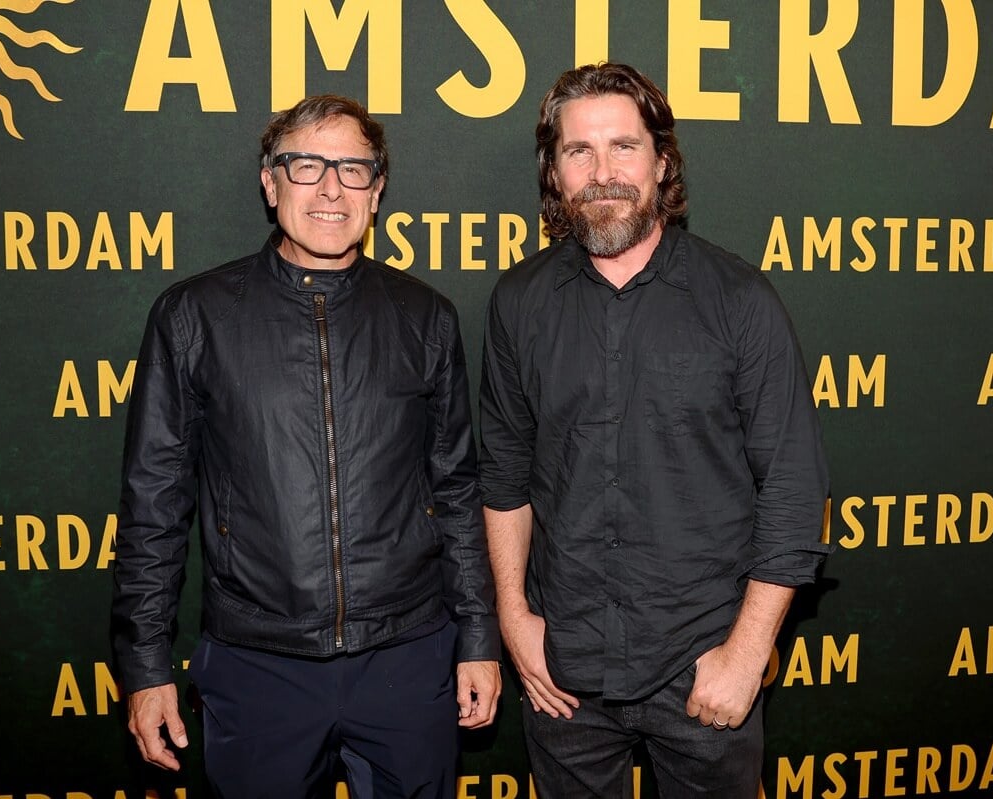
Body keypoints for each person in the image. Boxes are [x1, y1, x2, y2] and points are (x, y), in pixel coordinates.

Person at [111, 94, 501, 799]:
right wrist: (145, 667)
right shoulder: (193, 316)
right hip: (257, 663)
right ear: (270, 182)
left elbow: (456, 490)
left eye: (353, 169)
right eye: (306, 165)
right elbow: (153, 508)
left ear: (377, 192)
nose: (330, 188)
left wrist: (476, 638)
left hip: (408, 658)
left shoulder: (425, 319)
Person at [478, 63, 830, 797]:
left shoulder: (739, 300)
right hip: (564, 672)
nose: (603, 172)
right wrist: (515, 619)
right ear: (555, 170)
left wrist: (745, 654)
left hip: (702, 665)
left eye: (624, 147)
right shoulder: (519, 302)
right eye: (579, 151)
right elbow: (505, 474)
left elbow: (795, 489)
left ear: (662, 161)